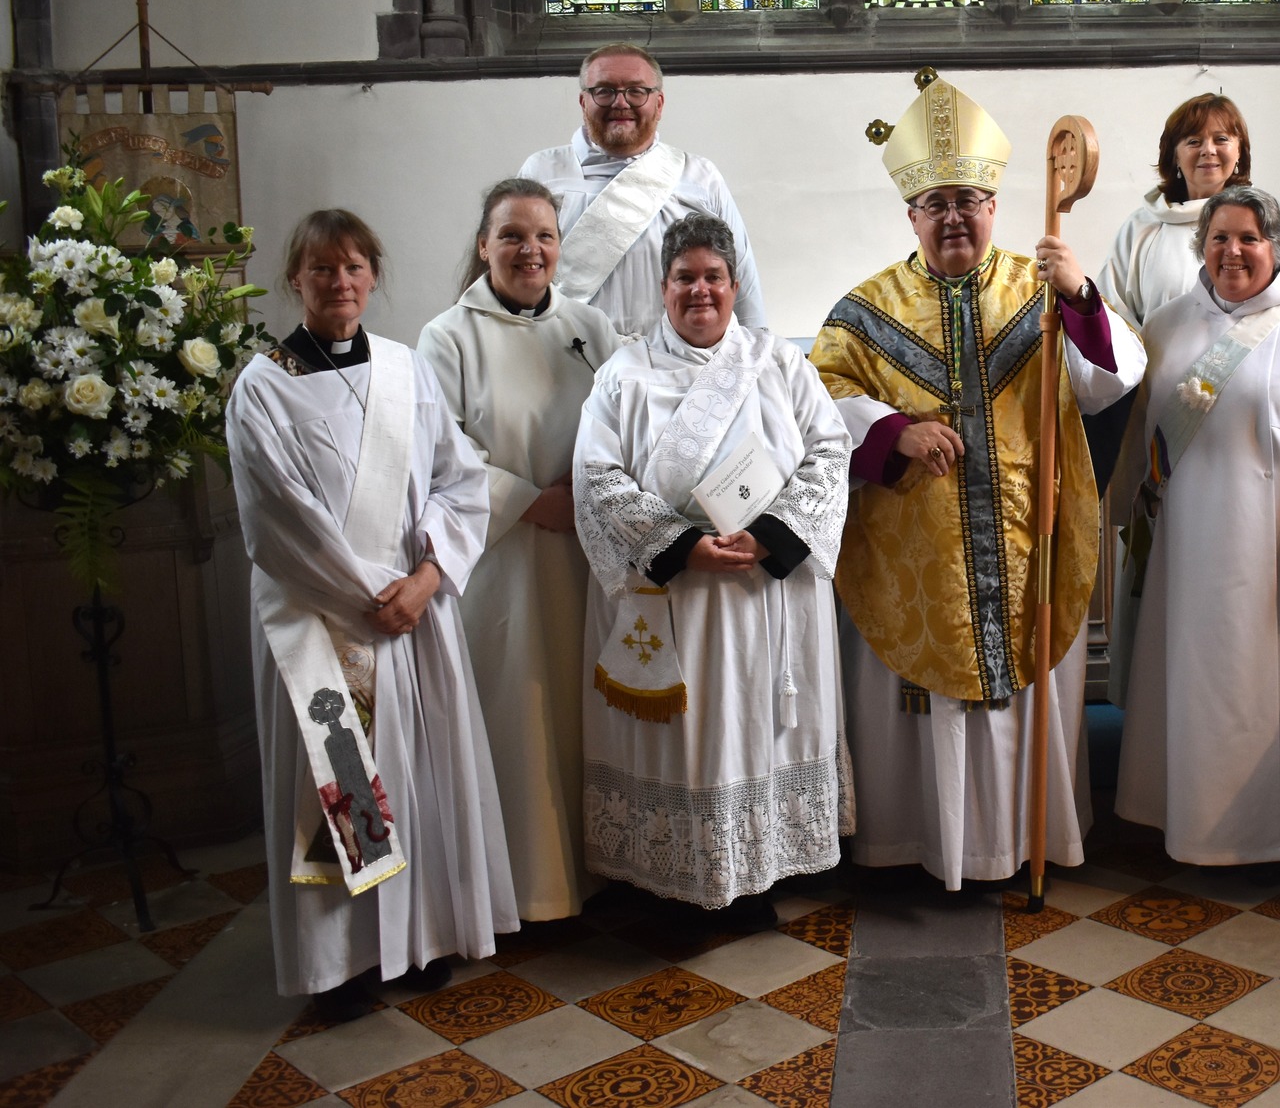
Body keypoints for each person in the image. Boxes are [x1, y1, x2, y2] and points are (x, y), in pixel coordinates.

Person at [810, 73, 1144, 889]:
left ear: (994, 205)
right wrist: (893, 430)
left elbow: (1114, 378)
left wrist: (1082, 297)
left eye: (968, 200)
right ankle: (915, 845)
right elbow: (816, 397)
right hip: (914, 551)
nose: (954, 216)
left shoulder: (1041, 291)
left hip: (1029, 543)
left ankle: (1020, 843)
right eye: (936, 203)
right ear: (912, 215)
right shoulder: (864, 311)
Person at [226, 210, 514, 1020]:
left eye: (354, 267)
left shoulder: (403, 368)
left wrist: (426, 578)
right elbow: (277, 518)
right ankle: (340, 963)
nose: (340, 282)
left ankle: (415, 939)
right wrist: (369, 597)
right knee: (337, 790)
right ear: (295, 279)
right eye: (322, 268)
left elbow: (461, 479)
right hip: (320, 622)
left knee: (413, 778)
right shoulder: (263, 386)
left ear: (374, 276)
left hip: (412, 616)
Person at [573, 214, 850, 921]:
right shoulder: (623, 374)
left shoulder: (777, 362)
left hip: (763, 587)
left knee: (752, 726)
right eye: (684, 277)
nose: (700, 290)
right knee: (689, 737)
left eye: (713, 277)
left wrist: (771, 536)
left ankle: (760, 869)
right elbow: (596, 477)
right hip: (675, 592)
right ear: (663, 286)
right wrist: (681, 546)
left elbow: (829, 450)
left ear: (734, 284)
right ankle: (673, 879)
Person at [1111, 186, 1280, 869]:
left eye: (1249, 238)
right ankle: (1188, 821)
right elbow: (1136, 434)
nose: (1232, 252)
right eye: (1219, 238)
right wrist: (1124, 514)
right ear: (1200, 246)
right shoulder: (1164, 326)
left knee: (1275, 686)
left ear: (1277, 248)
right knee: (1193, 684)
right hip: (1183, 549)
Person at [415, 179, 623, 923]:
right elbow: (442, 453)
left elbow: (628, 418)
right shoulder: (447, 337)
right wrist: (534, 503)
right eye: (511, 235)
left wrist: (592, 495)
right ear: (484, 246)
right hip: (501, 564)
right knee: (521, 717)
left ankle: (601, 873)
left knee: (585, 715)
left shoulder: (590, 327)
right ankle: (527, 893)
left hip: (586, 560)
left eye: (543, 236)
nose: (530, 250)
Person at [518, 43, 767, 340]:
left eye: (636, 91)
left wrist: (756, 349)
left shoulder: (700, 176)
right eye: (604, 91)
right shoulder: (543, 172)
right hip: (565, 355)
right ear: (584, 102)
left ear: (659, 103)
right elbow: (508, 270)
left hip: (672, 360)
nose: (620, 103)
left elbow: (741, 276)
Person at [1096, 93, 1280, 330]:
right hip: (1156, 355)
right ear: (1175, 156)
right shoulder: (1141, 228)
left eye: (1221, 139)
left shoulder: (1265, 224)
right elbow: (1110, 315)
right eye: (1193, 141)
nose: (1208, 150)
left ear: (1239, 151)